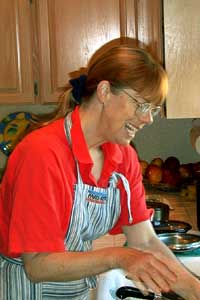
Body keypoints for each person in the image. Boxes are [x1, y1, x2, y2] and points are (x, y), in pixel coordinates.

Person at [0, 39, 200, 300]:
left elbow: (146, 242)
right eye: (141, 105)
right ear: (105, 91)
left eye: (152, 109)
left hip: (72, 290)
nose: (148, 118)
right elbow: (38, 265)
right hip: (24, 290)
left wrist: (196, 292)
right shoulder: (42, 153)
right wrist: (120, 257)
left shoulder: (123, 157)